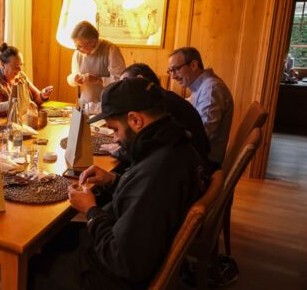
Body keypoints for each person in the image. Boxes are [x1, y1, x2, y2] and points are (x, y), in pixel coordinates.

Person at [28, 78, 206, 290]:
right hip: (125, 248)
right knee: (55, 235)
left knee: (22, 264)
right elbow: (142, 198)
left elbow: (120, 258)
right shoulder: (175, 147)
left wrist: (91, 210)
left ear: (135, 120)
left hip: (105, 276)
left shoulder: (157, 173)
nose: (115, 138)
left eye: (114, 129)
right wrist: (114, 180)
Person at [120, 63, 211, 179]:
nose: (121, 91)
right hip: (191, 167)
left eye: (124, 84)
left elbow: (149, 152)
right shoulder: (165, 97)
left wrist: (120, 151)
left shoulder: (160, 106)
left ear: (140, 80)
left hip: (187, 174)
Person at [168, 47, 234, 168]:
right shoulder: (201, 87)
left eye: (176, 69)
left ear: (193, 65)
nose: (173, 76)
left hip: (204, 163)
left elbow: (202, 135)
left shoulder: (211, 89)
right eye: (170, 71)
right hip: (197, 156)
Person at [0, 42, 53, 120]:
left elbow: (36, 97)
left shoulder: (21, 76)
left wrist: (43, 95)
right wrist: (14, 103)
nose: (20, 69)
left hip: (17, 120)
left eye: (21, 65)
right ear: (3, 65)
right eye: (16, 66)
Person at [66, 21, 126, 106]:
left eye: (80, 46)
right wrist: (74, 79)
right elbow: (72, 79)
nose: (77, 49)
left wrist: (98, 80)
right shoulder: (78, 54)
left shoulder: (110, 50)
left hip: (107, 107)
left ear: (93, 42)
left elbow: (121, 81)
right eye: (75, 46)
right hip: (85, 106)